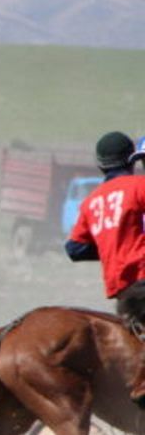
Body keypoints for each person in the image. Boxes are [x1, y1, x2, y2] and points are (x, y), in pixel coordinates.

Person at [65, 131, 145, 339]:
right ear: (131, 160)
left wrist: (111, 245)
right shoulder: (139, 186)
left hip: (124, 292)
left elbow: (74, 249)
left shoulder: (91, 201)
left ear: (100, 166)